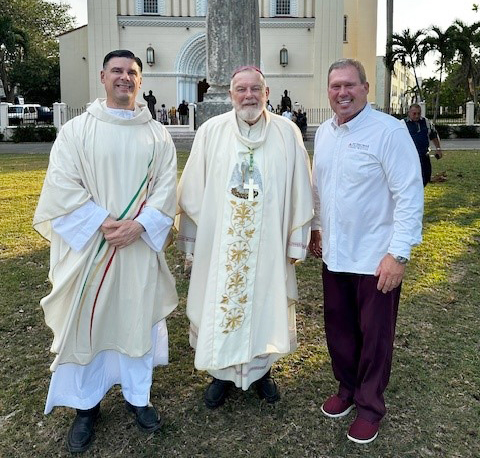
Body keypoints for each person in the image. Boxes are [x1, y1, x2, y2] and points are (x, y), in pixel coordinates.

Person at [33, 50, 178, 453]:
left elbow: (166, 188)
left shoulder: (158, 135)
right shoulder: (77, 131)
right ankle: (85, 405)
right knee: (89, 324)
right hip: (91, 250)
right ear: (102, 76)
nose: (124, 78)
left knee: (136, 319)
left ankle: (138, 397)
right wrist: (102, 221)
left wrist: (141, 226)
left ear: (141, 80)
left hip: (136, 248)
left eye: (132, 72)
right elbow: (62, 185)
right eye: (117, 71)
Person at [176, 66, 313, 409]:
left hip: (269, 244)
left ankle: (262, 372)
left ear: (267, 93)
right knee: (219, 305)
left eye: (256, 89)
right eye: (241, 89)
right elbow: (194, 190)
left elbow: (300, 188)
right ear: (231, 95)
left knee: (266, 305)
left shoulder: (287, 133)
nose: (248, 95)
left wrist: (296, 239)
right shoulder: (211, 132)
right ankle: (220, 376)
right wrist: (193, 243)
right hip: (220, 245)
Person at [309, 58, 423, 445]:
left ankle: (370, 405)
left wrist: (399, 254)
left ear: (365, 88)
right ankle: (347, 389)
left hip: (376, 258)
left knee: (375, 336)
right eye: (335, 86)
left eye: (349, 85)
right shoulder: (324, 132)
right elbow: (319, 188)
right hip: (335, 253)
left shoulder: (388, 132)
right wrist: (315, 229)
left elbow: (409, 195)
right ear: (328, 91)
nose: (342, 93)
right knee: (339, 328)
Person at [403, 103, 442, 186]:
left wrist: (438, 149)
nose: (417, 116)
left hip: (424, 156)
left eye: (418, 113)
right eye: (414, 113)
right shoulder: (402, 124)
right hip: (409, 157)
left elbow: (433, 135)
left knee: (426, 176)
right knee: (411, 179)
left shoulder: (426, 122)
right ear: (409, 113)